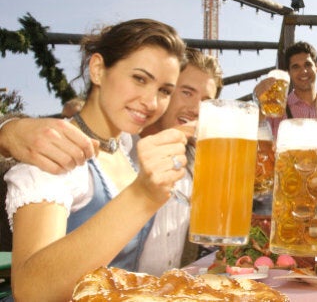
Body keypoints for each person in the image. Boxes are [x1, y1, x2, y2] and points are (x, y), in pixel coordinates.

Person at [4, 18, 188, 301]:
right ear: (98, 69)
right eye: (139, 78)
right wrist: (143, 195)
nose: (151, 103)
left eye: (164, 91)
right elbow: (32, 291)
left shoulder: (126, 151)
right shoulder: (54, 151)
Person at [131, 47, 223, 275]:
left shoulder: (195, 166)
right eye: (187, 92)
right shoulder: (121, 149)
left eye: (206, 101)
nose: (195, 109)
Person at [253, 41, 317, 137]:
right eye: (296, 67)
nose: (303, 71)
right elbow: (254, 135)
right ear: (288, 73)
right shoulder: (275, 111)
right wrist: (258, 100)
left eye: (307, 65)